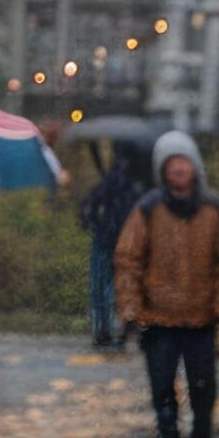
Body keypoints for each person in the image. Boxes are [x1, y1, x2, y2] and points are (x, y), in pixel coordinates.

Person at [113, 130, 219, 438]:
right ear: (163, 170)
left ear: (195, 167)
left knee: (204, 391)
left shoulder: (215, 211)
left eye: (183, 162)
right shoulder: (147, 210)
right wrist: (131, 308)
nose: (178, 170)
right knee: (162, 389)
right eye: (171, 164)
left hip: (201, 319)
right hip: (157, 320)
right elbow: (128, 260)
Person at [80, 147, 148, 349]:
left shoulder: (110, 182)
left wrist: (95, 223)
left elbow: (88, 209)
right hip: (126, 242)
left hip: (105, 238)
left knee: (101, 285)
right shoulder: (139, 186)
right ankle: (119, 328)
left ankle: (103, 330)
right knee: (120, 285)